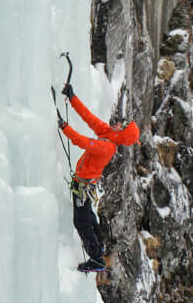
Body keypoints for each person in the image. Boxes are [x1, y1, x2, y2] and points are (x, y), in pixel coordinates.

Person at [57, 83, 140, 272]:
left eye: (123, 125)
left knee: (81, 221)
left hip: (83, 186)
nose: (119, 122)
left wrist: (64, 126)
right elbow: (89, 118)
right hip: (86, 184)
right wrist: (72, 97)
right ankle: (99, 246)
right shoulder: (108, 134)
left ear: (122, 133)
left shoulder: (106, 146)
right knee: (89, 217)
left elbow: (83, 142)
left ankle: (96, 258)